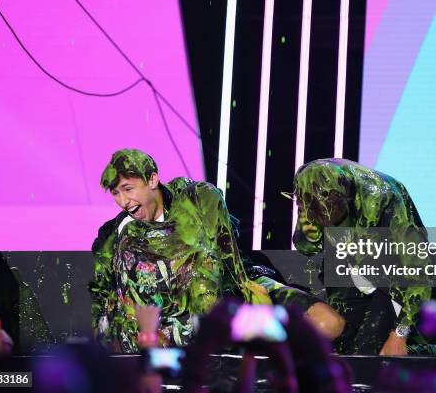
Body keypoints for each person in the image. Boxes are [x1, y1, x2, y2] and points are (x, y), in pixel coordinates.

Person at [90, 149, 343, 353]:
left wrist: (255, 309)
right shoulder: (117, 234)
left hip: (234, 290)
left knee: (328, 323)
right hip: (178, 317)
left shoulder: (199, 199)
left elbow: (225, 266)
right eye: (115, 193)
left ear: (152, 179)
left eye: (128, 189)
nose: (124, 202)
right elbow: (105, 296)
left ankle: (261, 342)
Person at [288, 158, 432, 355]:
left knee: (368, 353)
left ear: (342, 199)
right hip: (347, 269)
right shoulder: (311, 190)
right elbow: (307, 247)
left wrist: (399, 333)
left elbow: (419, 274)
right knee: (341, 349)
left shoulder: (384, 200)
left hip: (389, 275)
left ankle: (433, 351)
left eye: (332, 220)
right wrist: (308, 235)